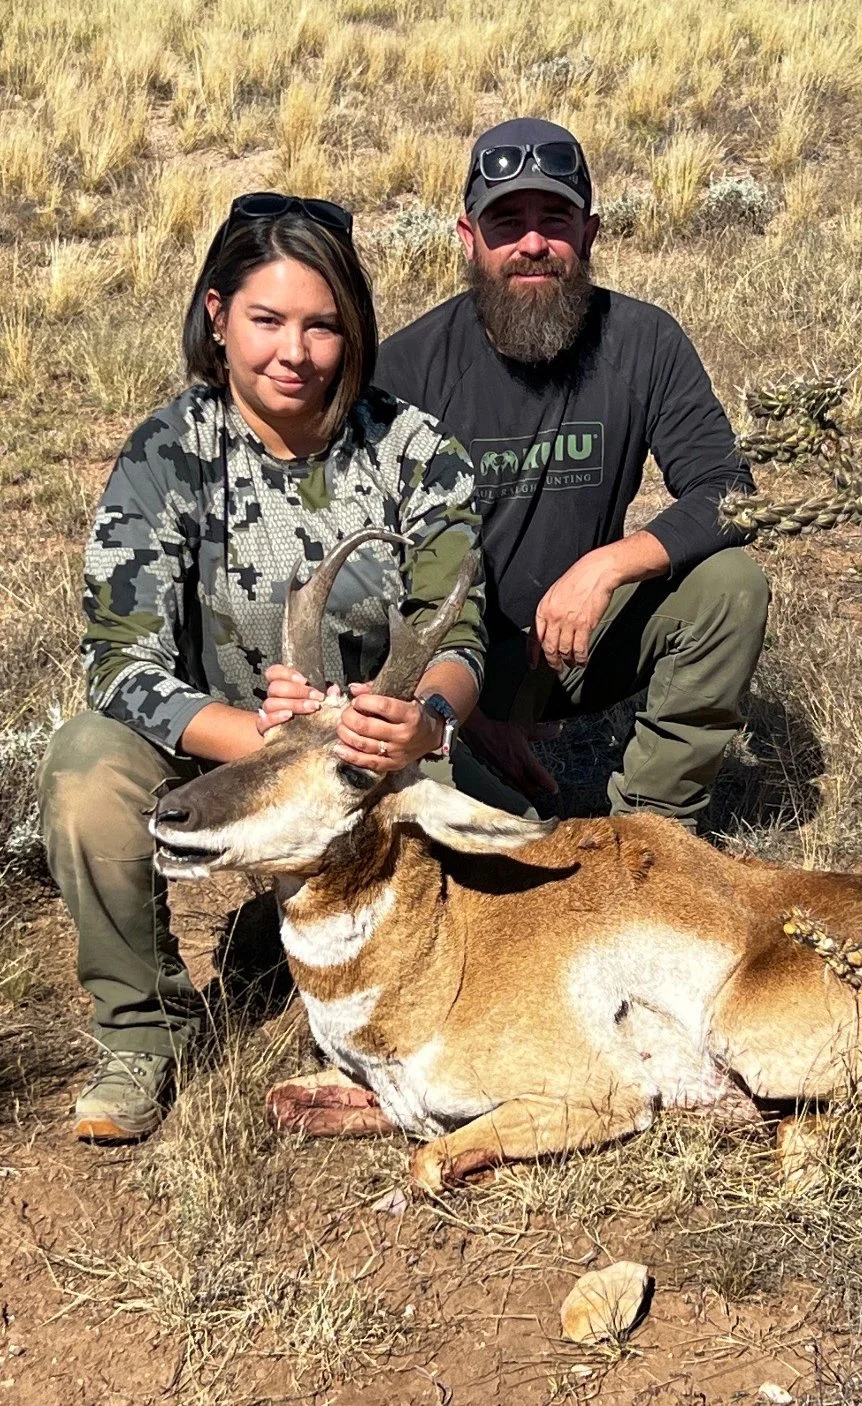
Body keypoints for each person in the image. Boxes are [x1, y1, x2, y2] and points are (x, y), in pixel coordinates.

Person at [37, 192, 517, 1143]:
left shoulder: (415, 451)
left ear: (355, 332)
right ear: (218, 317)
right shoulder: (167, 453)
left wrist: (425, 721)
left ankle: (418, 1012)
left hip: (368, 754)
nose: (294, 352)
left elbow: (459, 635)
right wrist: (262, 737)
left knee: (504, 852)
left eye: (322, 326)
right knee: (85, 772)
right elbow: (119, 661)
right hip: (218, 743)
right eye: (267, 320)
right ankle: (143, 1027)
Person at [372, 118, 770, 830]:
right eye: (506, 223)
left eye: (554, 221)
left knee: (729, 585)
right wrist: (460, 714)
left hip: (573, 643)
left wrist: (606, 566)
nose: (532, 244)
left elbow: (727, 489)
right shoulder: (406, 368)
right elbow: (367, 572)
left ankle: (651, 832)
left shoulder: (644, 342)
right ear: (468, 238)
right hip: (438, 665)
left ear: (588, 234)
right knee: (518, 843)